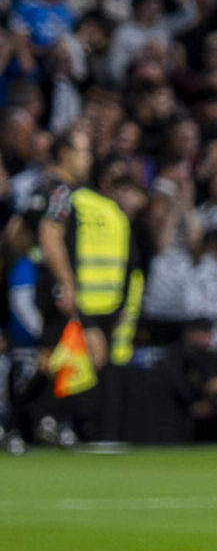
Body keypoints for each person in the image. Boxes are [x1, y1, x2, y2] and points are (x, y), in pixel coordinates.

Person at [33, 129, 131, 441]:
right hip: (53, 286)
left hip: (48, 284)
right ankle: (40, 417)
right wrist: (65, 282)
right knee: (68, 354)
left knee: (63, 355)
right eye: (82, 151)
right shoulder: (61, 190)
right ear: (64, 153)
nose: (86, 159)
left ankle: (49, 420)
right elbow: (49, 235)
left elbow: (17, 232)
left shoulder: (48, 188)